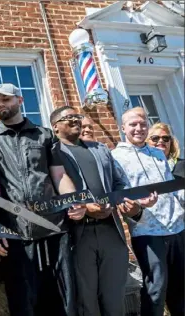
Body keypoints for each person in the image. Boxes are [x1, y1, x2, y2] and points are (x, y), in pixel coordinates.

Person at [0, 83, 85, 316]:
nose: (0, 104)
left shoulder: (44, 135)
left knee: (63, 299)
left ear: (20, 101)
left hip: (54, 227)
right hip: (15, 231)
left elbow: (58, 174)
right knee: (23, 300)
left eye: (5, 99)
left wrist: (75, 201)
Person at [49, 106, 150, 316]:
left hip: (111, 231)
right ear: (55, 127)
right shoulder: (51, 153)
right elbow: (50, 192)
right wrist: (84, 208)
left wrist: (123, 202)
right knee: (86, 300)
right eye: (68, 118)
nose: (75, 120)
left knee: (114, 297)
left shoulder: (100, 149)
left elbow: (119, 182)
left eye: (77, 116)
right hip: (78, 235)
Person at [112, 107, 184, 316]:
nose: (139, 128)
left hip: (178, 228)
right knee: (156, 290)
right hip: (148, 232)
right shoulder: (115, 157)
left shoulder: (158, 154)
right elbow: (121, 195)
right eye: (133, 124)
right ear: (123, 127)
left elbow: (172, 187)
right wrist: (140, 206)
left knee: (181, 289)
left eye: (143, 124)